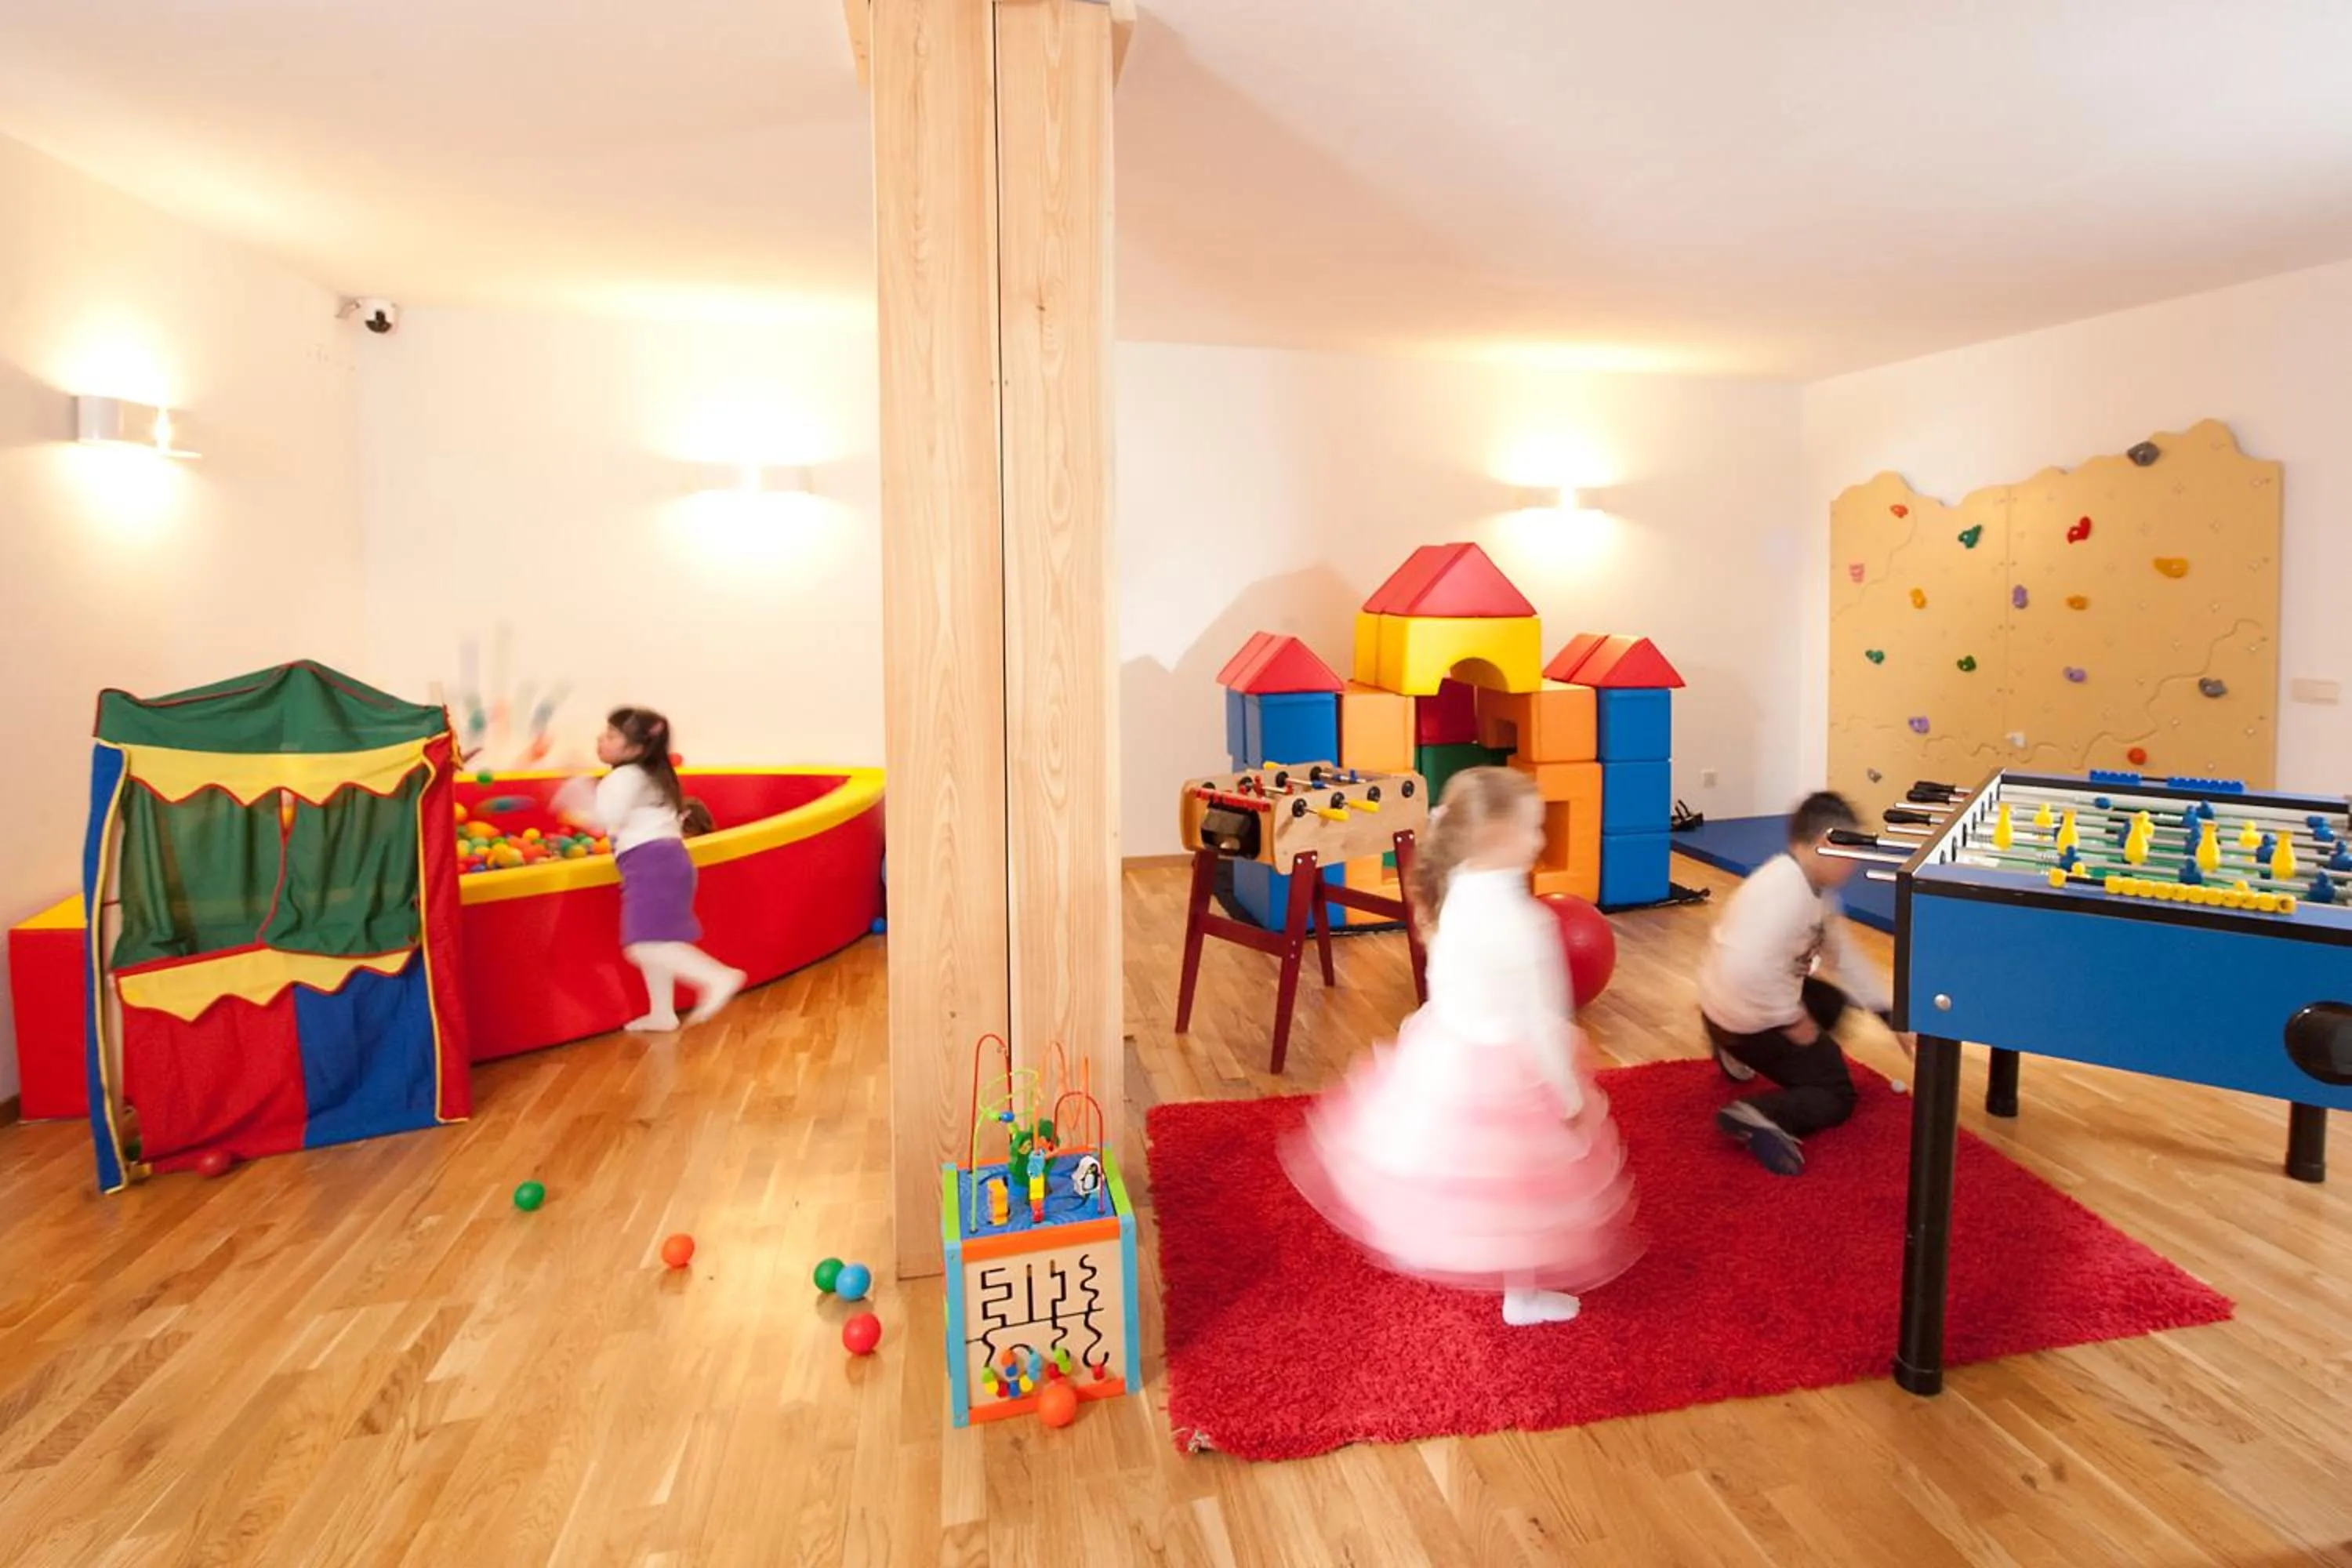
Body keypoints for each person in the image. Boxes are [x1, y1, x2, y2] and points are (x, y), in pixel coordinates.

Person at [1281, 766, 1641, 1327]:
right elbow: (1536, 1017)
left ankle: (1495, 1273)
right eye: (1532, 829)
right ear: (1496, 836)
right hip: (1504, 1068)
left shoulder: (1456, 892)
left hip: (1448, 1051)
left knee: (1472, 1180)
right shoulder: (1521, 922)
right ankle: (1522, 1294)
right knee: (1524, 1190)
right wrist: (1568, 1095)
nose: (1540, 840)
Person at [1697, 790, 1912, 1175]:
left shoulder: (1810, 885)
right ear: (1826, 843)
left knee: (1831, 1002)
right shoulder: (1783, 894)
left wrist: (1890, 1015)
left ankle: (1730, 1046)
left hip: (1725, 1004)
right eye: (1851, 851)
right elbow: (1746, 968)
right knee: (1838, 1094)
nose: (1856, 864)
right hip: (1744, 1007)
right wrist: (1792, 1019)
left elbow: (1843, 956)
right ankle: (1758, 1114)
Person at [554, 707, 745, 1033]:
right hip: (667, 863)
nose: (601, 738)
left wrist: (573, 790)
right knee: (658, 940)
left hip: (651, 865)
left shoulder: (624, 777)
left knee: (643, 946)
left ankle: (717, 977)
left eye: (612, 735)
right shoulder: (653, 776)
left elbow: (604, 818)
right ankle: (662, 1013)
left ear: (636, 749)